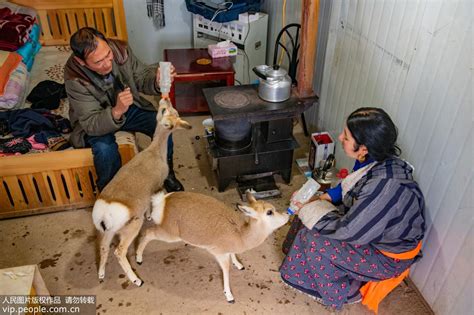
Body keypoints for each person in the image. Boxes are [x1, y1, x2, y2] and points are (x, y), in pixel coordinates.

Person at [280, 107, 425, 311]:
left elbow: (350, 232)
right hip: (371, 232)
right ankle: (301, 256)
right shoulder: (373, 161)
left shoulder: (384, 187)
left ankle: (343, 294)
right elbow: (349, 185)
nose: (340, 137)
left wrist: (310, 210)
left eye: (346, 137)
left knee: (311, 238)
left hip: (387, 257)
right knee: (308, 212)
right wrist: (321, 198)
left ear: (364, 148)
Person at [64, 27, 183, 192]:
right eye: (98, 62)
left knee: (163, 124)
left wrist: (156, 81)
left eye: (107, 55)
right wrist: (117, 111)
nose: (107, 63)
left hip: (127, 108)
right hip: (97, 119)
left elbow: (140, 77)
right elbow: (90, 123)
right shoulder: (74, 77)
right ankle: (109, 192)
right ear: (81, 62)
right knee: (104, 150)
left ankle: (167, 173)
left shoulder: (119, 51)